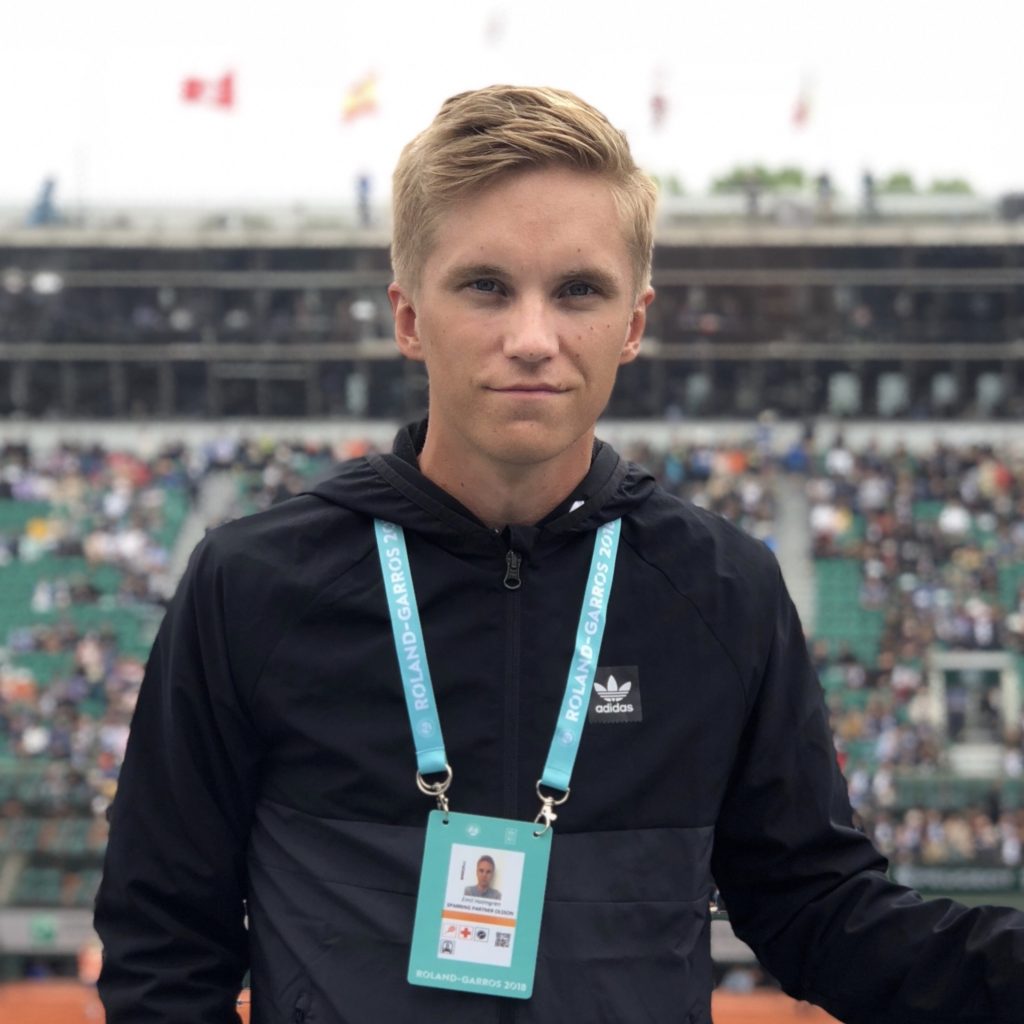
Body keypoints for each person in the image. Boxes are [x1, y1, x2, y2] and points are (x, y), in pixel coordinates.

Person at [94, 84, 1024, 1024]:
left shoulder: (723, 590)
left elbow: (820, 911)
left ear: (633, 323)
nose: (532, 338)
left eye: (578, 290)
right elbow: (164, 942)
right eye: (486, 286)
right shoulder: (251, 586)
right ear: (409, 316)